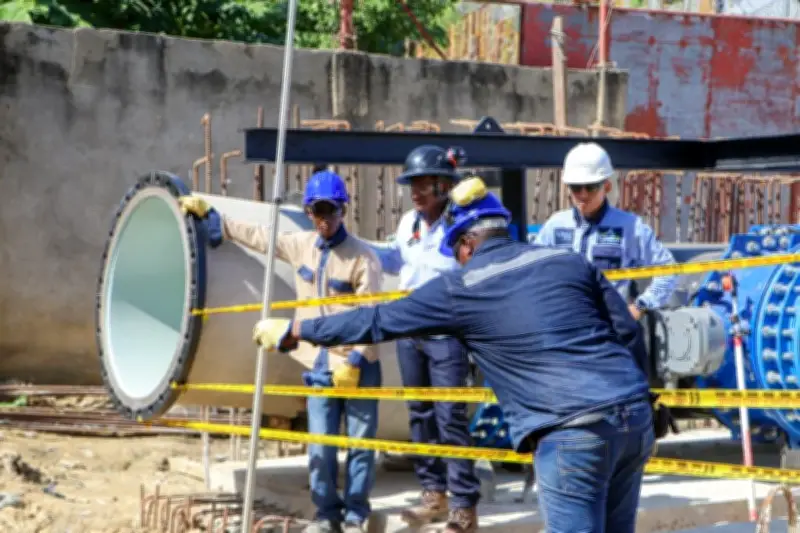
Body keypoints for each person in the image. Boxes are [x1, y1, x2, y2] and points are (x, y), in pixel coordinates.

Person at [252, 176, 656, 533]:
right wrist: (651, 401)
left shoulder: (461, 287)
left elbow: (376, 320)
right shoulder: (567, 260)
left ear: (466, 245)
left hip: (572, 430)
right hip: (634, 419)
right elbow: (627, 331)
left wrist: (298, 330)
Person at [179, 169, 384, 533]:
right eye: (318, 212)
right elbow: (260, 237)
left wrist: (356, 359)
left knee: (360, 446)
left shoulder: (362, 258)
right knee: (319, 448)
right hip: (319, 364)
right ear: (308, 212)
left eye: (331, 211)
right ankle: (326, 517)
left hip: (356, 366)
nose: (325, 220)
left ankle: (355, 516)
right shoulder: (300, 245)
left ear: (343, 211)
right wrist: (215, 218)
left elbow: (372, 315)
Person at [371, 144, 481, 532]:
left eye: (422, 185)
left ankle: (464, 505)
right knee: (419, 413)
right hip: (410, 333)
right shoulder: (408, 225)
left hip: (446, 334)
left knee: (450, 415)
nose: (415, 193)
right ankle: (433, 493)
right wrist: (357, 246)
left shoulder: (464, 224)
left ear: (444, 185)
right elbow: (394, 260)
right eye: (411, 185)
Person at [534, 142, 678, 321]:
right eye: (576, 188)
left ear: (607, 187)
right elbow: (531, 271)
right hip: (565, 326)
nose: (583, 194)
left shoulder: (630, 227)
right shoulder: (555, 226)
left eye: (591, 187)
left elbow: (668, 269)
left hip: (610, 329)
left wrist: (641, 305)